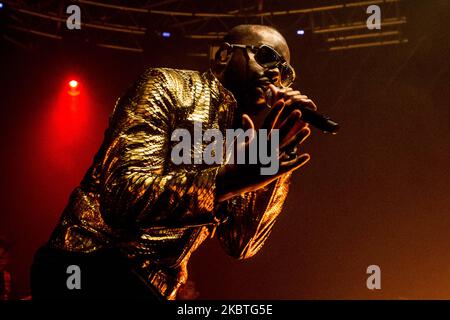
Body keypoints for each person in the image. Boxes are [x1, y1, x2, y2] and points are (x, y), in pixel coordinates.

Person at [30, 24, 318, 300]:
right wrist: (225, 182)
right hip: (92, 263)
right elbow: (122, 195)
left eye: (286, 71)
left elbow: (241, 244)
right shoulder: (167, 85)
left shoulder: (242, 138)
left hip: (152, 287)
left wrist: (272, 162)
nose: (276, 73)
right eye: (267, 57)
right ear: (223, 56)